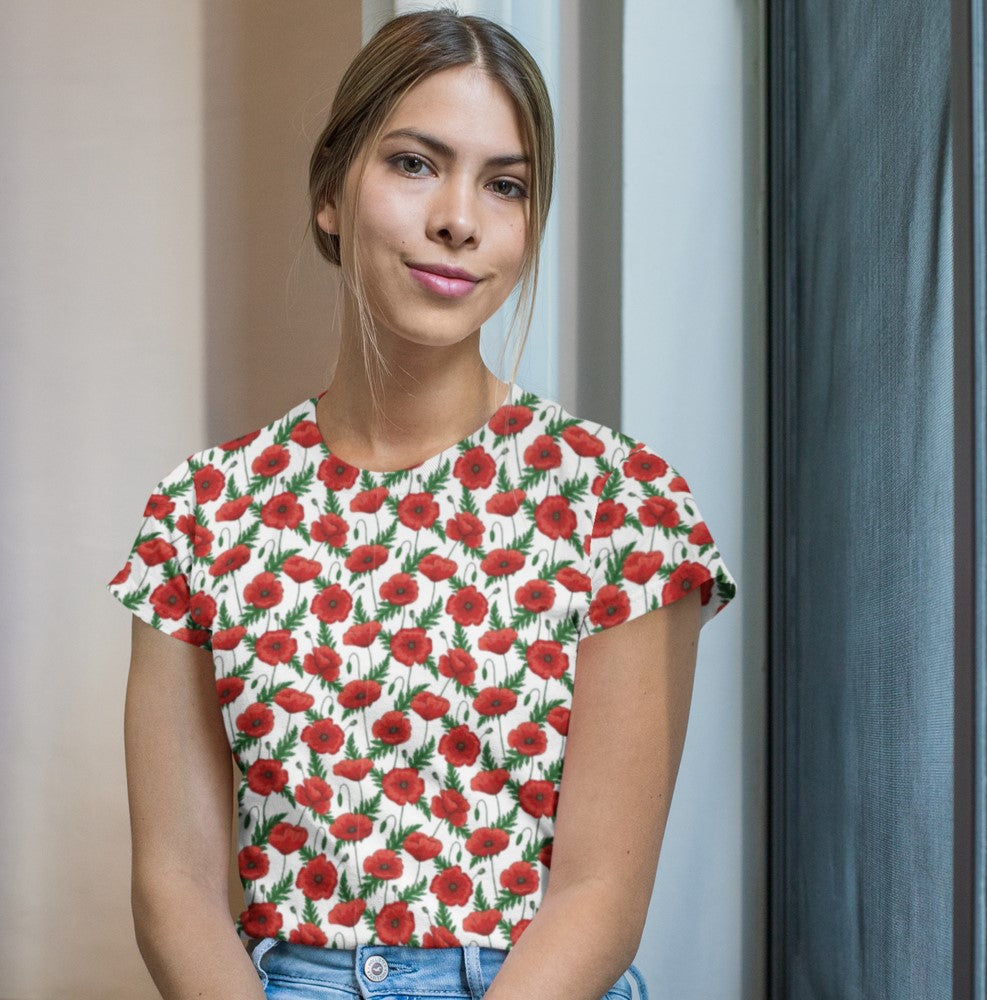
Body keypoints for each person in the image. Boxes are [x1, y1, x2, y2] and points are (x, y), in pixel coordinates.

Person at [107, 10, 737, 1000]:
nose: (460, 218)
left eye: (505, 184)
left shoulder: (620, 506)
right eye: (414, 163)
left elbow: (601, 895)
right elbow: (175, 884)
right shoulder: (202, 513)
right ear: (330, 193)